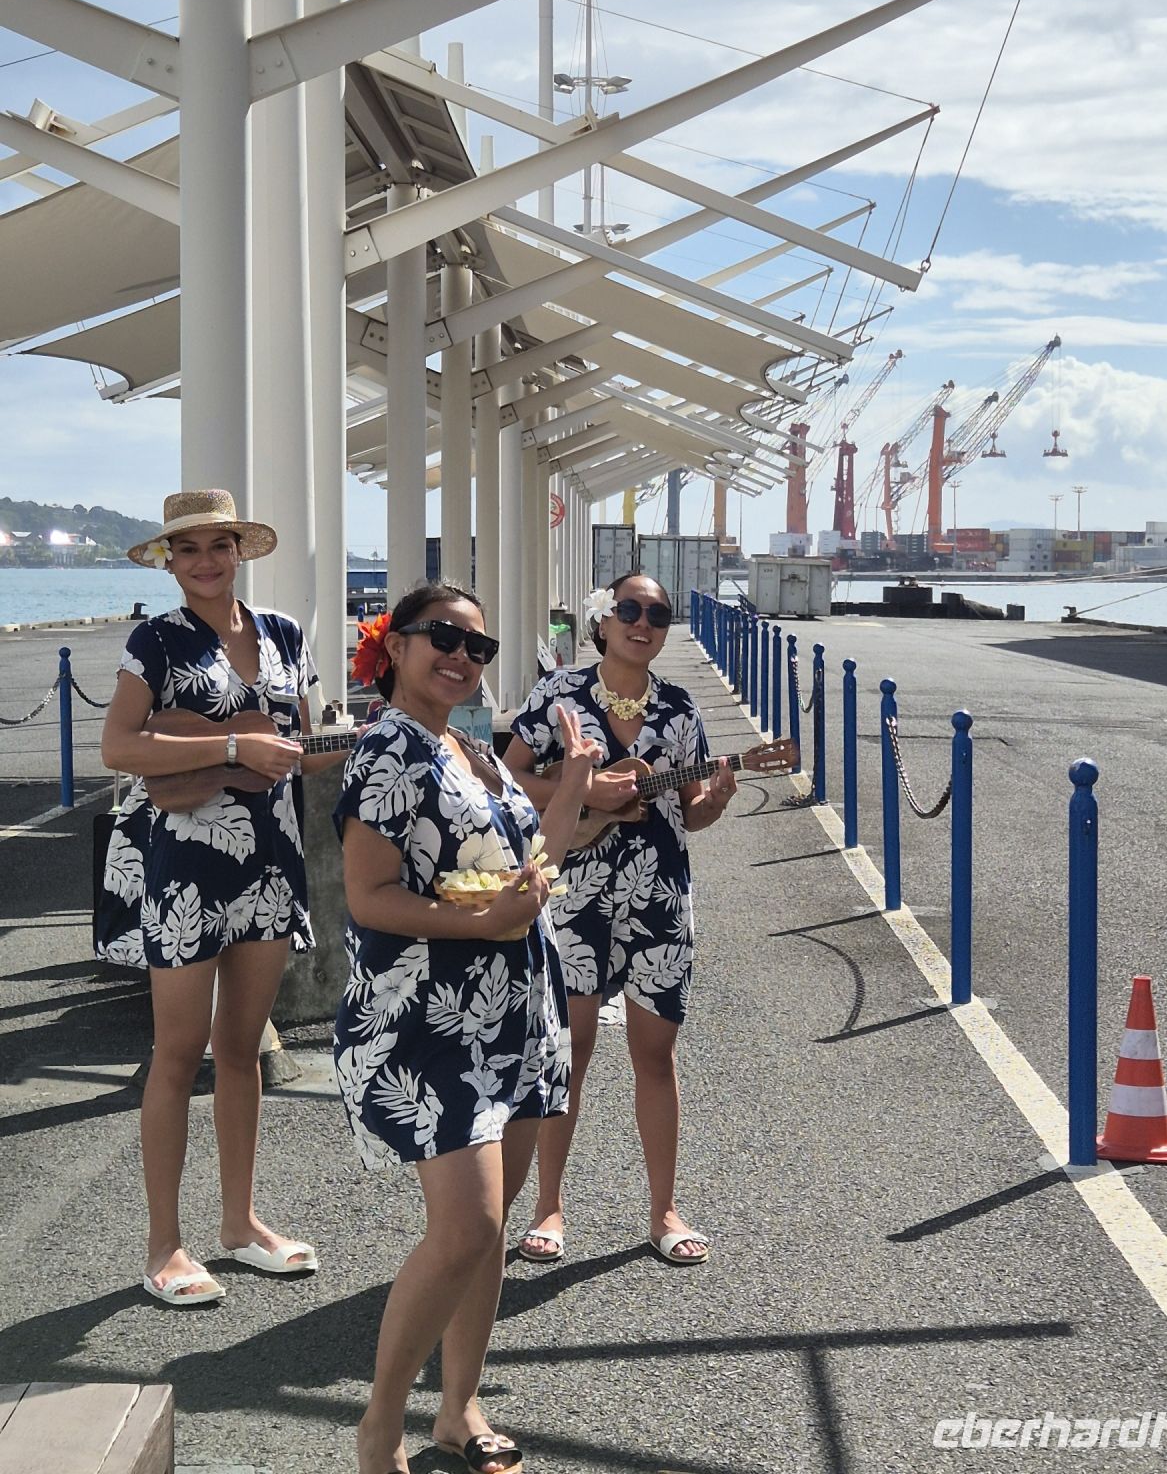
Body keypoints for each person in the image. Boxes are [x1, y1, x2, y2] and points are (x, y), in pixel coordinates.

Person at [336, 582, 601, 1474]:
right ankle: (380, 1424)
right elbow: (370, 898)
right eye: (442, 638)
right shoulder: (387, 753)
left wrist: (569, 785)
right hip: (430, 1015)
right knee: (464, 1227)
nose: (461, 656)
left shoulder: (471, 751)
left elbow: (536, 862)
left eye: (477, 648)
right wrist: (486, 924)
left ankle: (458, 1408)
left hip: (514, 1009)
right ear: (395, 648)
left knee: (488, 1231)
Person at [98, 489, 345, 1306]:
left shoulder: (283, 634)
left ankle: (238, 1226)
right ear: (169, 561)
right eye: (188, 549)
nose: (204, 561)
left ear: (240, 549)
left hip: (271, 861)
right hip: (184, 865)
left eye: (218, 545)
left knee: (241, 1053)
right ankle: (163, 1244)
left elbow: (300, 749)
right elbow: (118, 746)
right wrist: (235, 741)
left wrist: (371, 738)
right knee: (177, 1054)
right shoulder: (156, 641)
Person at [502, 573, 736, 1269]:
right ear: (603, 621)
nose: (643, 623)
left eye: (658, 614)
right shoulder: (559, 697)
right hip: (575, 892)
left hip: (659, 896)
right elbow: (503, 778)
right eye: (629, 610)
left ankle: (663, 1209)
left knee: (655, 1055)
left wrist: (718, 797)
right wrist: (583, 788)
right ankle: (549, 1206)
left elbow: (689, 810)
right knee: (567, 1054)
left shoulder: (680, 709)